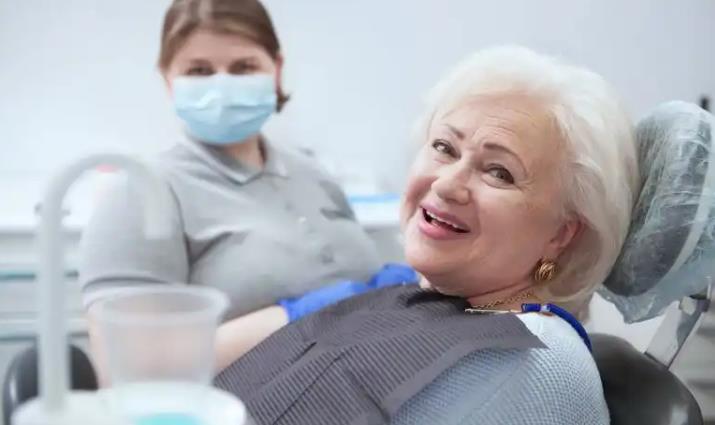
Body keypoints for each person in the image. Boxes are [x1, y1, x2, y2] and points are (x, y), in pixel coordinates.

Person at [212, 46, 639, 424]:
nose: (447, 184)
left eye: (499, 172)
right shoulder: (414, 296)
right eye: (444, 148)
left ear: (561, 234)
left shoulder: (534, 358)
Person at [79, 0, 388, 379]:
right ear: (168, 80)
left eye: (244, 67)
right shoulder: (144, 192)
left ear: (276, 70)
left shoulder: (312, 173)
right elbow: (126, 368)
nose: (222, 85)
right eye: (199, 70)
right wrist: (294, 318)